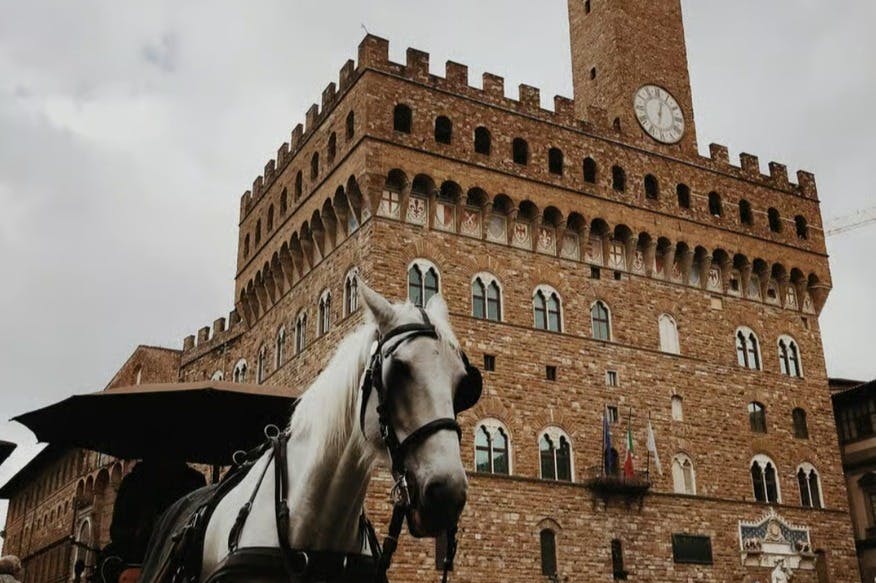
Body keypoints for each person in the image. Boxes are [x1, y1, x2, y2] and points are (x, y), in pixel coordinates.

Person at [105, 459, 206, 566]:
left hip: (177, 557)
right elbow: (118, 531)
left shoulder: (193, 481)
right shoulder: (134, 482)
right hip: (139, 558)